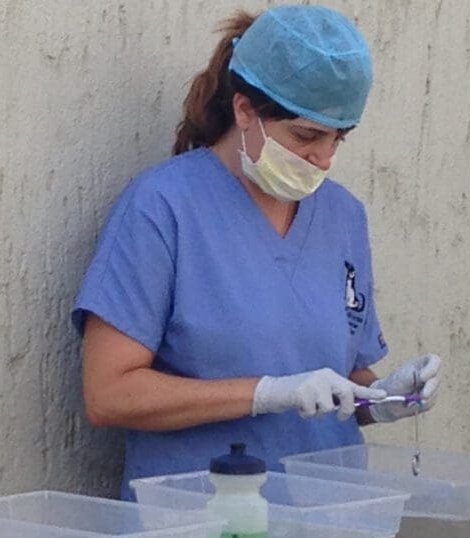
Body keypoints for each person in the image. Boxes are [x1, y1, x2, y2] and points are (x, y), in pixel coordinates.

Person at [71, 5, 441, 500]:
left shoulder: (342, 216)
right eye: (307, 136)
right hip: (198, 530)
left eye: (338, 138)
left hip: (327, 528)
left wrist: (383, 399)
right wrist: (265, 394)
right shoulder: (163, 208)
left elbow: (332, 381)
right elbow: (109, 394)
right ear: (244, 109)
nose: (324, 159)